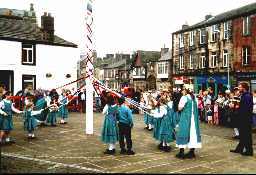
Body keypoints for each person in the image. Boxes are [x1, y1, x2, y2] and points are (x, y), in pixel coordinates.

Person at [175, 87, 202, 159]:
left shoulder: (184, 98)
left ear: (185, 91)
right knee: (193, 133)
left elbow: (179, 108)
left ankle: (181, 152)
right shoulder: (194, 98)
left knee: (183, 132)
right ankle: (192, 151)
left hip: (186, 118)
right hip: (194, 120)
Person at [230, 82, 253, 156]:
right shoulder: (244, 95)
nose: (238, 88)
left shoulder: (247, 96)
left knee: (246, 136)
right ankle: (239, 149)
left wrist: (234, 107)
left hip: (246, 119)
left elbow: (245, 108)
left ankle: (249, 151)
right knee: (243, 135)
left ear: (244, 88)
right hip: (243, 118)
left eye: (239, 87)